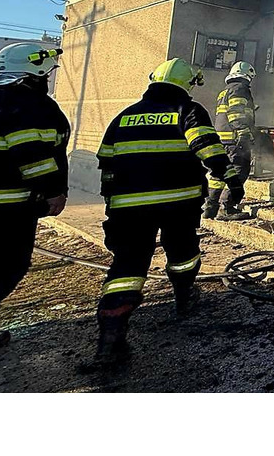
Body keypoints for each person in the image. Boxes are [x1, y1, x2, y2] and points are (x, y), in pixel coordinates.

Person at [91, 57, 244, 367]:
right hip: (178, 204)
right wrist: (231, 179)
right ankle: (185, 298)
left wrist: (113, 201)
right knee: (183, 254)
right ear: (187, 84)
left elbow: (106, 162)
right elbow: (208, 148)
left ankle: (110, 341)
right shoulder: (186, 110)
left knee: (126, 268)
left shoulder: (125, 116)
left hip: (128, 209)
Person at [0, 44, 68, 370]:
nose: (48, 79)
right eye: (47, 73)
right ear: (34, 73)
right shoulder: (27, 106)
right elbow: (33, 155)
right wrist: (53, 192)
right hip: (3, 213)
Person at [205, 60, 258, 222]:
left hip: (222, 140)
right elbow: (235, 112)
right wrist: (243, 131)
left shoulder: (225, 91)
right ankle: (227, 208)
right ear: (247, 76)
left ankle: (210, 208)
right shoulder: (240, 89)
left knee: (220, 173)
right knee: (238, 171)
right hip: (235, 140)